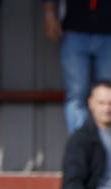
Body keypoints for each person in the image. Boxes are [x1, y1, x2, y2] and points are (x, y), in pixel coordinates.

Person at [46, 0, 111, 133]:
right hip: (74, 27)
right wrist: (49, 15)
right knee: (76, 95)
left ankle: (106, 149)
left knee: (108, 96)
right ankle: (82, 149)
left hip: (107, 29)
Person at [60, 80, 111, 189]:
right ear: (91, 103)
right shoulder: (80, 139)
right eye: (102, 103)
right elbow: (72, 185)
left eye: (110, 103)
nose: (107, 108)